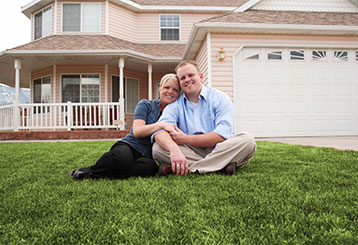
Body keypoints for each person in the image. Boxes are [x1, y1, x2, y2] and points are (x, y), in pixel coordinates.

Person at [152, 60, 256, 176]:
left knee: (247, 140)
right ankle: (220, 166)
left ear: (201, 77)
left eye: (191, 75)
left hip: (219, 147)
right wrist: (174, 149)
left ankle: (183, 168)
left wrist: (185, 139)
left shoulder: (220, 98)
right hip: (191, 151)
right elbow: (159, 132)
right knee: (157, 149)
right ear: (180, 83)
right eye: (182, 78)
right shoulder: (175, 105)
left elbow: (222, 134)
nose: (187, 80)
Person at [68, 73, 180, 180]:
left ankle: (106, 175)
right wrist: (161, 125)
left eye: (175, 89)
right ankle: (89, 171)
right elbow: (137, 131)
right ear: (160, 88)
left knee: (149, 168)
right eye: (167, 87)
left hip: (147, 154)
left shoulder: (176, 114)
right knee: (122, 159)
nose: (170, 91)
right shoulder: (145, 105)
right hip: (131, 144)